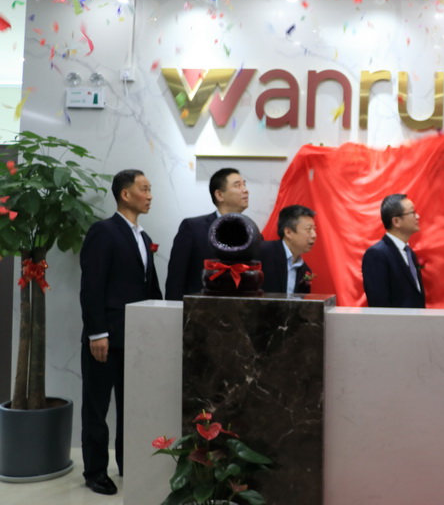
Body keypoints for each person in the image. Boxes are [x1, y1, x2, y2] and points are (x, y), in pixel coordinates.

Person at [79, 169, 162, 495]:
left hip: (137, 338)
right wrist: (97, 333)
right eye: (144, 189)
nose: (150, 195)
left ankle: (130, 463)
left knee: (132, 406)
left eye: (151, 189)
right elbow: (92, 286)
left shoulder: (143, 236)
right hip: (107, 338)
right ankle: (95, 471)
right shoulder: (103, 231)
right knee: (97, 407)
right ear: (125, 194)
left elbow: (150, 287)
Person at [164, 168, 249, 301]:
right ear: (219, 195)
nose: (245, 190)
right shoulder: (193, 228)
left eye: (244, 184)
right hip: (199, 308)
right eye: (237, 185)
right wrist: (174, 309)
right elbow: (176, 278)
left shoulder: (251, 233)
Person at [362, 193, 425, 308]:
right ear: (396, 221)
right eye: (412, 212)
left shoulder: (410, 253)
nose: (418, 216)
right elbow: (379, 304)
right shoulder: (377, 254)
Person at [259, 205, 317, 294]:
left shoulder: (305, 270)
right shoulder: (263, 252)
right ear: (288, 232)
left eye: (314, 229)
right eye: (308, 230)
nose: (314, 235)